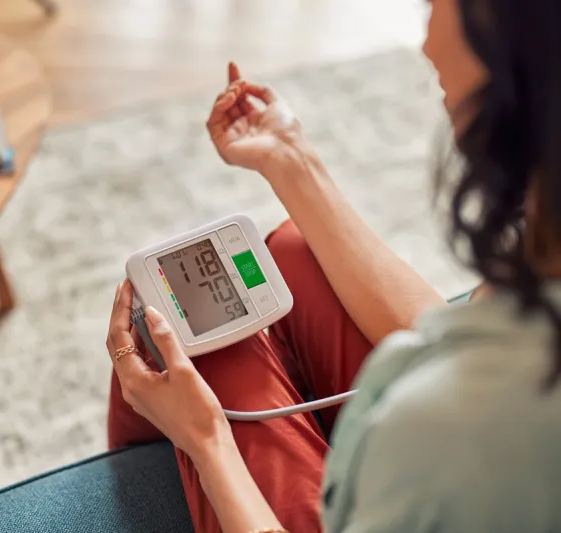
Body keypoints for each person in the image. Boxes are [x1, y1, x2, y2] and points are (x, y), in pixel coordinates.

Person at [105, 0, 561, 531]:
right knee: (293, 252)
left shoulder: (451, 435)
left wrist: (207, 441)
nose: (425, 40)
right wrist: (289, 156)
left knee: (208, 354)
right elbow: (459, 343)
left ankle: (136, 484)